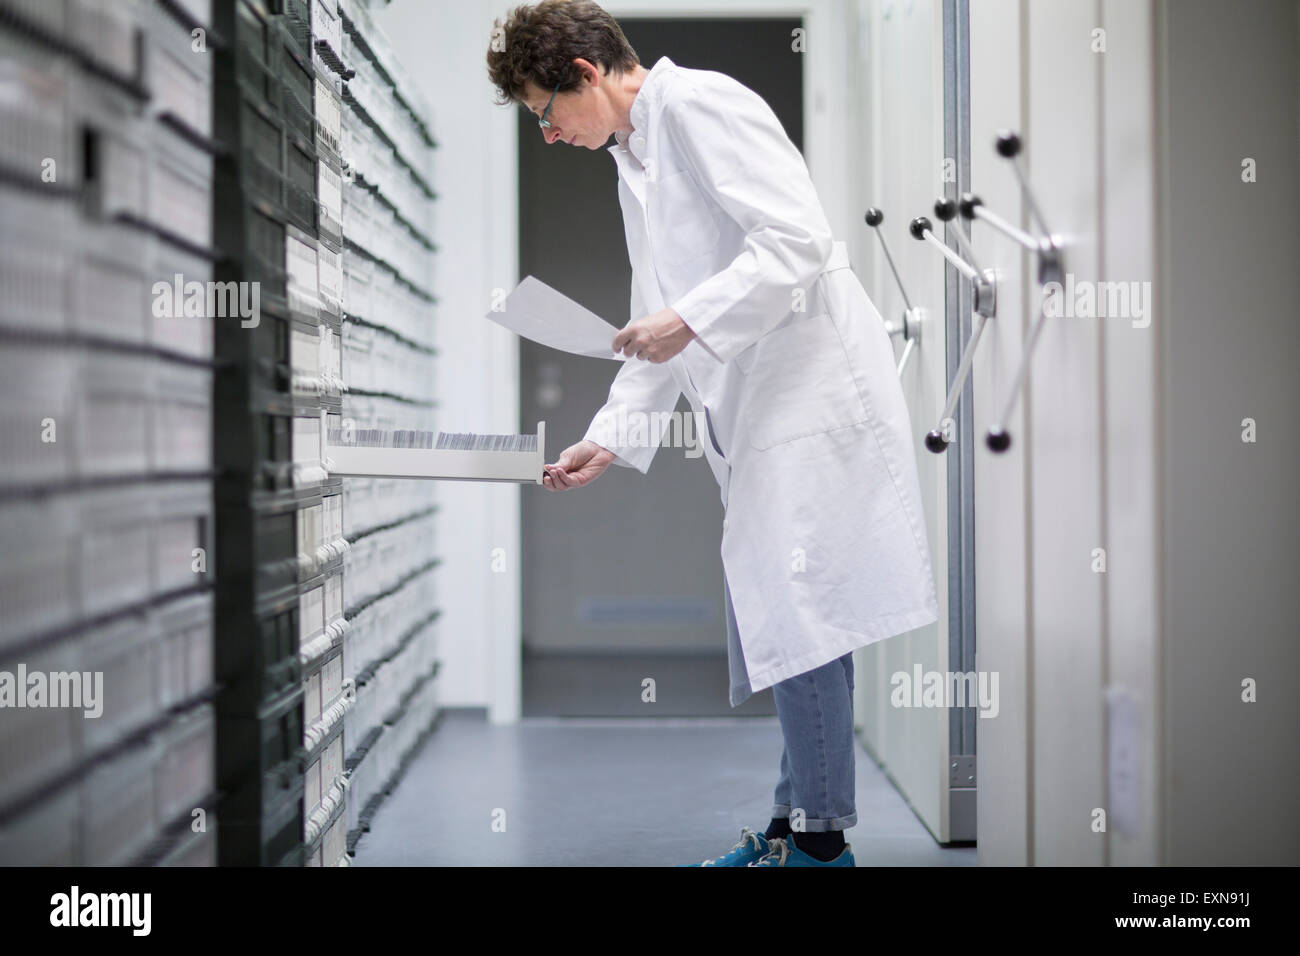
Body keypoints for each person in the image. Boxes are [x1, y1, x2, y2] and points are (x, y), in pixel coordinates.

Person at [487, 0, 940, 867]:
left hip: (809, 397)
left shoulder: (700, 105)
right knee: (794, 619)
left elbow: (798, 241)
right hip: (764, 406)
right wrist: (608, 437)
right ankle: (792, 828)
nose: (546, 135)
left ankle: (818, 847)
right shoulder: (635, 158)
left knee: (800, 615)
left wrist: (688, 320)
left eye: (545, 113)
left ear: (586, 75)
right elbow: (651, 326)